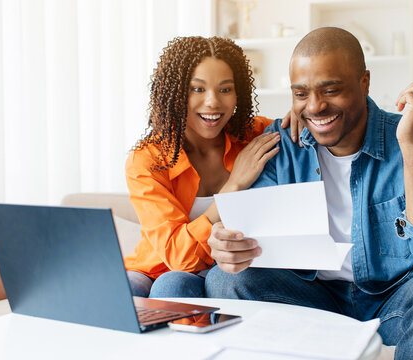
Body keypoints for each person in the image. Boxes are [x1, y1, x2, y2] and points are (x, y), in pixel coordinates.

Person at [204, 27, 413, 360]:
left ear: (364, 82)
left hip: (394, 303)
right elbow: (252, 244)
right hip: (314, 304)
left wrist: (411, 146)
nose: (316, 106)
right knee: (224, 279)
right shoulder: (283, 147)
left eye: (331, 90)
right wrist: (230, 246)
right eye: (301, 94)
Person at [124, 36, 300, 299]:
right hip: (157, 268)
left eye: (225, 89)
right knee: (130, 290)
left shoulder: (255, 135)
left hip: (232, 268)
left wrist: (301, 110)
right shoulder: (149, 159)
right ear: (175, 91)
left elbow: (303, 130)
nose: (213, 102)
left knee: (175, 285)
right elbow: (177, 257)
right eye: (197, 89)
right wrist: (234, 185)